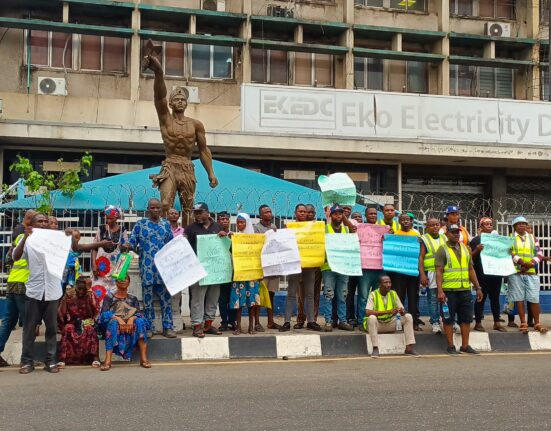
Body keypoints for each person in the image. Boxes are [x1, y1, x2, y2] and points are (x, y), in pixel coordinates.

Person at [143, 46, 218, 223]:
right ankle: (164, 235)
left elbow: (204, 150)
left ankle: (186, 240)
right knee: (165, 204)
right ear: (170, 103)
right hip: (170, 165)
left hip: (187, 166)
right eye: (176, 99)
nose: (180, 102)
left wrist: (211, 173)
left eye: (183, 99)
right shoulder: (165, 119)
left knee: (188, 208)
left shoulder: (196, 124)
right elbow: (159, 96)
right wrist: (158, 71)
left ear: (186, 103)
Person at [12, 213, 63, 374]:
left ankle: (51, 361)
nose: (43, 223)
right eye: (39, 221)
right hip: (34, 291)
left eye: (45, 221)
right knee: (30, 328)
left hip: (53, 291)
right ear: (32, 224)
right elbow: (15, 256)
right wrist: (26, 238)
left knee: (51, 329)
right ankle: (26, 361)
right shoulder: (25, 239)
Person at [125, 198, 176, 338]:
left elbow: (172, 246)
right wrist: (127, 246)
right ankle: (149, 327)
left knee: (166, 300)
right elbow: (133, 241)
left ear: (161, 209)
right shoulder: (141, 224)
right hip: (147, 269)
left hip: (163, 270)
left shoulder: (166, 224)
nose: (155, 210)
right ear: (148, 209)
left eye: (157, 208)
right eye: (152, 208)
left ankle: (168, 327)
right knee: (147, 301)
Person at [436, 224, 483, 355]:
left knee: (466, 318)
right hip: (448, 291)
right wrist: (440, 291)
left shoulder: (465, 248)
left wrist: (478, 287)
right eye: (453, 232)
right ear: (447, 234)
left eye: (458, 232)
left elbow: (470, 269)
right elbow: (438, 271)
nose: (456, 234)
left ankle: (465, 345)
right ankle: (450, 346)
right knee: (448, 319)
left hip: (465, 290)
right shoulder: (442, 250)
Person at [0, 210, 36, 367]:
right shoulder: (31, 239)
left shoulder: (19, 237)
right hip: (24, 285)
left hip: (12, 282)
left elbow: (9, 259)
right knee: (29, 323)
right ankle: (26, 359)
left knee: (8, 321)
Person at [280, 204, 322, 332]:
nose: (303, 213)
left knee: (310, 294)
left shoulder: (313, 227)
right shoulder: (290, 227)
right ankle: (287, 322)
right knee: (291, 293)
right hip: (294, 265)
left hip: (309, 265)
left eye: (304, 211)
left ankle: (311, 321)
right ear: (295, 213)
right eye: (300, 211)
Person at [185, 202, 224, 338]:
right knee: (198, 298)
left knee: (213, 298)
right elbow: (185, 248)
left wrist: (224, 237)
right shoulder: (190, 229)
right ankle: (197, 326)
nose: (197, 215)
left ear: (207, 212)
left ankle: (208, 325)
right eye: (195, 212)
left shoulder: (217, 227)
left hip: (215, 270)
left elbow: (224, 247)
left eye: (200, 212)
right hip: (198, 269)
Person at [99, 275, 150, 371]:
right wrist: (118, 319)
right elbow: (103, 315)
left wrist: (131, 319)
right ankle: (108, 360)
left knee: (139, 322)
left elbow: (138, 314)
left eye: (125, 279)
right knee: (113, 323)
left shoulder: (133, 299)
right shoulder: (109, 297)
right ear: (116, 282)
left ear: (129, 283)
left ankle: (143, 359)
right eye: (120, 279)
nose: (123, 281)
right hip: (114, 324)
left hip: (129, 325)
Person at [509, 216, 550, 334]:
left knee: (534, 299)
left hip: (531, 272)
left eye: (524, 223)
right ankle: (523, 322)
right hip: (516, 272)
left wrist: (531, 264)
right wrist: (521, 263)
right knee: (519, 298)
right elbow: (509, 252)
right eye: (519, 224)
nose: (522, 225)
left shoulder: (533, 238)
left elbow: (539, 253)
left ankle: (537, 323)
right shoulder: (510, 238)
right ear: (514, 226)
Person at [365, 275, 418, 358]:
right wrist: (388, 312)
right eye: (385, 282)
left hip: (390, 324)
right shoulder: (373, 294)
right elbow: (367, 312)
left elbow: (402, 309)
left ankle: (409, 348)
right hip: (377, 325)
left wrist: (402, 312)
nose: (389, 285)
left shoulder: (393, 293)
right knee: (371, 318)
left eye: (390, 282)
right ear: (379, 285)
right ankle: (375, 348)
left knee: (408, 316)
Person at [353, 206, 387, 331]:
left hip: (380, 268)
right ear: (366, 215)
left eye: (375, 214)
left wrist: (389, 237)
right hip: (365, 268)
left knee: (378, 296)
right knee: (363, 296)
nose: (373, 215)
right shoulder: (360, 229)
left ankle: (376, 321)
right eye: (370, 214)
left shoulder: (384, 230)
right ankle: (362, 321)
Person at [470, 217, 506, 332]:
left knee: (495, 298)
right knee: (481, 297)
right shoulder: (476, 240)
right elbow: (470, 258)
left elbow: (503, 255)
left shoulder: (498, 241)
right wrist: (477, 250)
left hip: (496, 274)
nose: (489, 225)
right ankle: (478, 323)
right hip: (482, 274)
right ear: (481, 227)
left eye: (491, 224)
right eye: (486, 224)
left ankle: (497, 322)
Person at [321, 204, 353, 332]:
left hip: (343, 267)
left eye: (340, 214)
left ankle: (342, 321)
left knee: (342, 295)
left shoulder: (346, 229)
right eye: (335, 214)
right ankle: (329, 321)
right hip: (328, 267)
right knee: (328, 294)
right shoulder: (324, 229)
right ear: (331, 215)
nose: (338, 216)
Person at [388, 213, 421, 331]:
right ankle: (399, 321)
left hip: (412, 272)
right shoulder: (395, 234)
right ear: (399, 222)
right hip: (399, 273)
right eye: (403, 220)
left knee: (413, 297)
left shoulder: (416, 235)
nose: (406, 221)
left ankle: (414, 322)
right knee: (399, 297)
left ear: (411, 222)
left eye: (408, 219)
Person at [57, 277, 100, 367]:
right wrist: (65, 298)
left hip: (87, 322)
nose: (81, 291)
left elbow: (95, 311)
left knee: (90, 329)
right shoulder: (70, 297)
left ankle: (95, 358)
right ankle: (63, 359)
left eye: (83, 289)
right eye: (78, 289)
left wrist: (89, 294)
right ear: (75, 287)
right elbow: (62, 314)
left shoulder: (91, 295)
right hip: (73, 322)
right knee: (68, 328)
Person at [230, 213, 261, 335]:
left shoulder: (254, 239)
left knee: (251, 303)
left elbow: (259, 255)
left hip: (252, 274)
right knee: (239, 302)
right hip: (239, 274)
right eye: (238, 222)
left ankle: (251, 327)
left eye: (242, 222)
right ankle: (238, 327)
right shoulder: (235, 237)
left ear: (247, 223)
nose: (240, 224)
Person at [296, 203, 324, 328]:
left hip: (316, 266)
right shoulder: (296, 227)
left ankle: (312, 320)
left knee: (315, 294)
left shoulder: (318, 227)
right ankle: (300, 319)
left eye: (313, 212)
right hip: (301, 266)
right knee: (301, 294)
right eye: (308, 212)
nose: (310, 214)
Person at [253, 205, 281, 330]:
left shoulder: (274, 227)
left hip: (273, 266)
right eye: (266, 212)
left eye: (270, 211)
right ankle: (257, 322)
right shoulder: (256, 229)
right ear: (260, 215)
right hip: (262, 267)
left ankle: (270, 321)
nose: (269, 214)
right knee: (259, 295)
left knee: (271, 294)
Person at [92, 205, 128, 296]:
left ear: (116, 218)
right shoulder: (101, 229)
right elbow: (94, 247)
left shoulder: (122, 230)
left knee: (113, 295)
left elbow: (125, 251)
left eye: (111, 219)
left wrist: (121, 269)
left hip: (115, 268)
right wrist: (93, 264)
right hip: (100, 267)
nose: (108, 221)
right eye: (107, 218)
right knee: (98, 293)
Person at [419, 217, 447, 334]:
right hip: (431, 272)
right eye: (432, 225)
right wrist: (422, 275)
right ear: (427, 227)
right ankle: (435, 322)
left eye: (437, 224)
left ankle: (448, 320)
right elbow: (421, 257)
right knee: (433, 299)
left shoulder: (444, 237)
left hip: (445, 272)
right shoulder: (424, 239)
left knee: (446, 298)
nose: (435, 227)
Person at [217, 211, 236, 331]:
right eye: (222, 219)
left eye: (226, 219)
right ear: (218, 221)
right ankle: (224, 321)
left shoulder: (234, 235)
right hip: (221, 271)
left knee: (233, 297)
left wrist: (232, 240)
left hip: (234, 271)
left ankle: (232, 321)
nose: (224, 221)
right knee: (222, 298)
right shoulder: (215, 236)